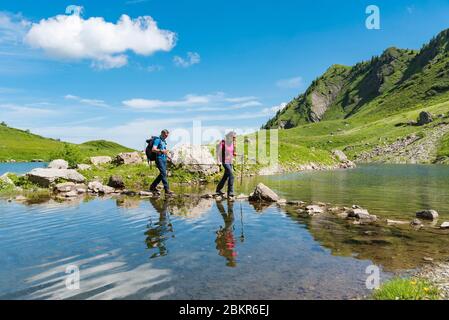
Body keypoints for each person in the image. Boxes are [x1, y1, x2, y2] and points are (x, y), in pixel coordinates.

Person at [150, 129, 174, 196]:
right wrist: (161, 150)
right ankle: (167, 190)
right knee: (163, 174)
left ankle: (152, 186)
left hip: (164, 159)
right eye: (166, 135)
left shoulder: (164, 141)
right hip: (159, 159)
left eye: (167, 135)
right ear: (162, 133)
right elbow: (153, 149)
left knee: (162, 174)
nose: (167, 136)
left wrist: (168, 157)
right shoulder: (158, 140)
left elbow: (164, 151)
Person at [216, 131, 237, 197]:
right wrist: (218, 161)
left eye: (235, 138)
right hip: (224, 161)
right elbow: (218, 152)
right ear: (229, 136)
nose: (234, 139)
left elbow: (232, 152)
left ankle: (218, 189)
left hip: (230, 162)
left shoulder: (233, 143)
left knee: (225, 177)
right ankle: (230, 193)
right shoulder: (223, 143)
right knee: (231, 176)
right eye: (233, 137)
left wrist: (234, 154)